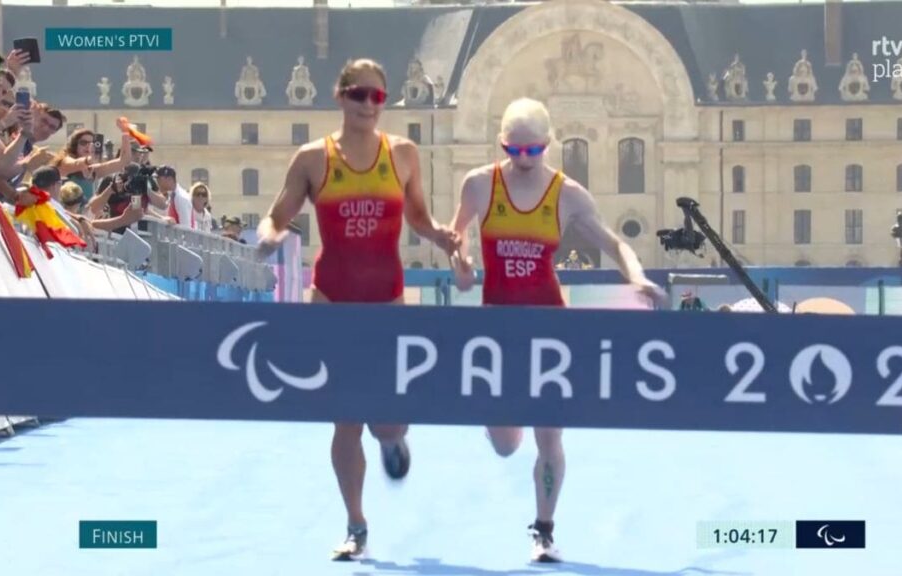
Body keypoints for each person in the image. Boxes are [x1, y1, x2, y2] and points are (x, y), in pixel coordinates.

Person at [255, 58, 459, 561]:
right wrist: (267, 237)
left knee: (387, 422)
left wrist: (442, 237)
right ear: (340, 96)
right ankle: (356, 523)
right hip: (332, 300)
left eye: (378, 96)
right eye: (359, 94)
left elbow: (418, 216)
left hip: (387, 301)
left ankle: (392, 441)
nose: (369, 104)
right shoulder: (313, 158)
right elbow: (278, 215)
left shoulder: (404, 154)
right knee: (345, 418)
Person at [449, 97, 663, 563]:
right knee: (507, 446)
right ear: (502, 143)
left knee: (550, 436)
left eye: (533, 151)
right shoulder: (480, 185)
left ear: (548, 145)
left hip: (550, 325)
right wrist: (461, 266)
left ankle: (543, 529)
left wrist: (638, 277)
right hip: (498, 326)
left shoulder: (567, 194)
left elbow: (614, 243)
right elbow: (456, 234)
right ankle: (504, 428)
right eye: (514, 150)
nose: (523, 160)